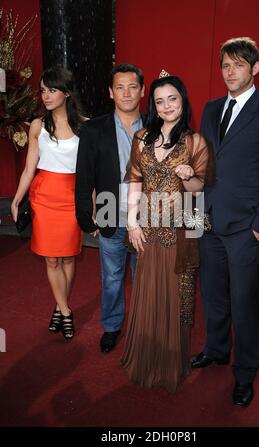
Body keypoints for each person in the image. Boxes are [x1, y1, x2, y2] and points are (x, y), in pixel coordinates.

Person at [191, 37, 259, 406]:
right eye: (225, 65)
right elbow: (203, 165)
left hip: (245, 229)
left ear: (255, 69)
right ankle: (216, 349)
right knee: (213, 296)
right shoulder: (211, 107)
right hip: (208, 222)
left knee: (243, 301)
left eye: (238, 65)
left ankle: (245, 371)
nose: (230, 72)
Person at [121, 72, 211, 392]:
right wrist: (131, 221)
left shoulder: (195, 141)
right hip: (146, 229)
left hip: (179, 230)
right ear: (153, 105)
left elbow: (200, 186)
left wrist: (188, 176)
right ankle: (147, 356)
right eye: (159, 101)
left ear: (183, 100)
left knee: (175, 297)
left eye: (172, 98)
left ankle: (170, 361)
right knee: (148, 292)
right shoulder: (141, 137)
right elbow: (133, 180)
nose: (166, 105)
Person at [11, 66, 86, 340]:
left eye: (51, 90)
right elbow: (30, 168)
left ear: (66, 93)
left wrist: (91, 206)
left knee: (67, 256)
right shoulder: (37, 126)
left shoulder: (84, 127)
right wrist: (18, 198)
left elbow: (88, 173)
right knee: (51, 258)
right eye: (42, 90)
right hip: (44, 197)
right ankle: (66, 311)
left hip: (71, 198)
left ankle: (59, 306)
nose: (45, 95)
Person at [75, 64, 145, 353]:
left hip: (147, 215)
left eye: (132, 86)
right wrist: (85, 217)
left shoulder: (158, 125)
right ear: (110, 92)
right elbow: (84, 175)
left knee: (144, 277)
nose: (126, 93)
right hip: (108, 209)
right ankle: (112, 326)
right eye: (120, 87)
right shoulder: (94, 129)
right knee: (112, 276)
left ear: (142, 90)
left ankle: (144, 326)